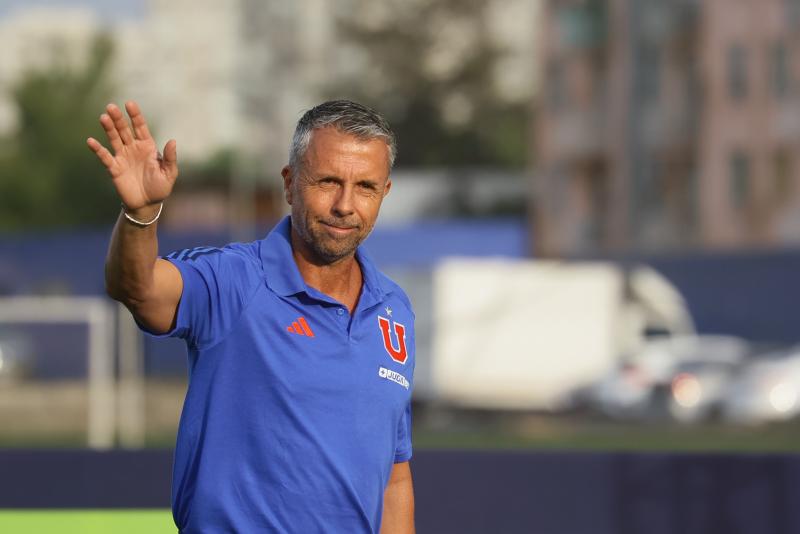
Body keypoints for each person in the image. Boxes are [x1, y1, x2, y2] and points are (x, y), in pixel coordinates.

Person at [87, 99, 416, 533]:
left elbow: (394, 477)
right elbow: (137, 288)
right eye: (328, 182)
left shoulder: (394, 310)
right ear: (289, 183)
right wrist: (141, 215)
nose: (344, 204)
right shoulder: (234, 279)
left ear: (385, 192)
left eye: (366, 188)